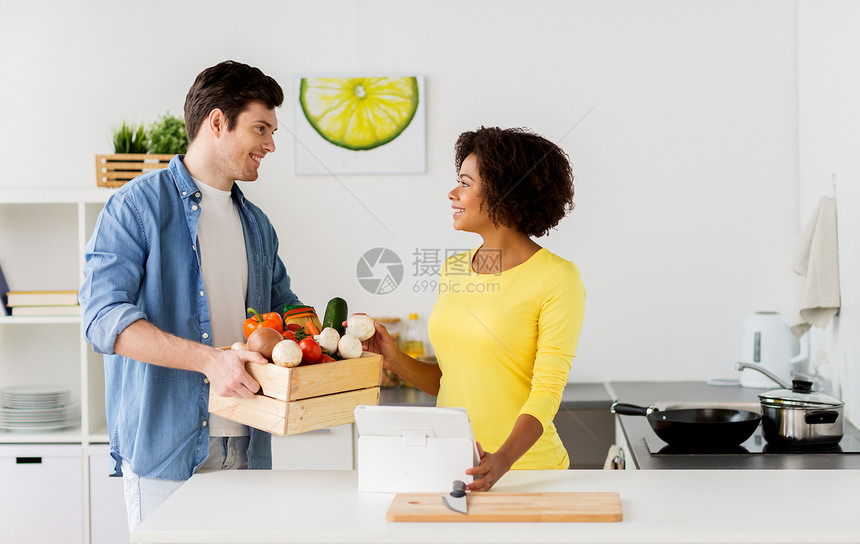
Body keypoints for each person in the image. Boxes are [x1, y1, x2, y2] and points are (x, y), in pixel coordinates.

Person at [79, 60, 301, 530]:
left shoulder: (257, 224)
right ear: (217, 122)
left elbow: (286, 312)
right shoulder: (136, 207)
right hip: (166, 453)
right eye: (260, 128)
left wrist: (338, 339)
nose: (270, 145)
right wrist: (208, 360)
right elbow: (103, 319)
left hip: (247, 447)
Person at [365, 126, 585, 491]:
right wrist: (394, 359)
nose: (452, 194)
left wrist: (502, 460)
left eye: (465, 183)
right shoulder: (452, 269)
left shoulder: (557, 277)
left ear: (504, 192)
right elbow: (451, 381)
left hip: (528, 473)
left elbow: (546, 393)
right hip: (456, 465)